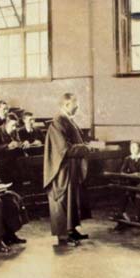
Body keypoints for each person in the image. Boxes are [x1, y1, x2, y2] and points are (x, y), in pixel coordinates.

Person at [43, 93, 90, 246]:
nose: (77, 107)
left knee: (72, 200)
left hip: (71, 168)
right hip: (62, 170)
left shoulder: (67, 120)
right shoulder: (58, 121)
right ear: (67, 104)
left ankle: (72, 230)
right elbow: (64, 148)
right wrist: (86, 148)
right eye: (75, 104)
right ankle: (63, 235)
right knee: (63, 200)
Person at [114, 140, 140, 223]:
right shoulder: (128, 158)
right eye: (131, 147)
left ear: (139, 149)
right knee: (124, 190)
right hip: (131, 181)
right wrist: (131, 174)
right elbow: (122, 171)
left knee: (139, 192)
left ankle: (137, 215)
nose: (132, 149)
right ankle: (121, 213)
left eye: (134, 147)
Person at [0, 113, 23, 183]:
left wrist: (19, 144)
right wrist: (7, 146)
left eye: (15, 125)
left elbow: (19, 142)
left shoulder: (14, 131)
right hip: (0, 160)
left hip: (12, 160)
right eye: (13, 125)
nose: (14, 128)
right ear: (6, 124)